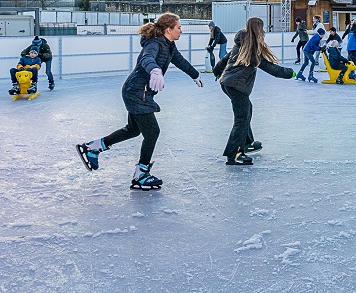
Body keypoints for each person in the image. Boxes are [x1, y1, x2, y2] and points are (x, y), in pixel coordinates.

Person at [75, 13, 203, 190]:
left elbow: (179, 61)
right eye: (179, 27)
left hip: (139, 92)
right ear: (168, 29)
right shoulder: (154, 43)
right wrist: (155, 71)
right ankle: (141, 174)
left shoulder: (169, 45)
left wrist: (194, 74)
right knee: (152, 132)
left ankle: (94, 147)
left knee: (134, 130)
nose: (181, 30)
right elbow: (146, 59)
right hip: (137, 92)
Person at [214, 17, 295, 166]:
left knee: (247, 111)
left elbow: (225, 59)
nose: (263, 31)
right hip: (237, 86)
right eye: (262, 28)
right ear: (258, 30)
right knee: (241, 119)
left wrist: (217, 71)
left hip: (228, 83)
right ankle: (235, 154)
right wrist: (290, 73)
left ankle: (247, 143)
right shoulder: (252, 51)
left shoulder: (241, 45)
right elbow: (272, 69)